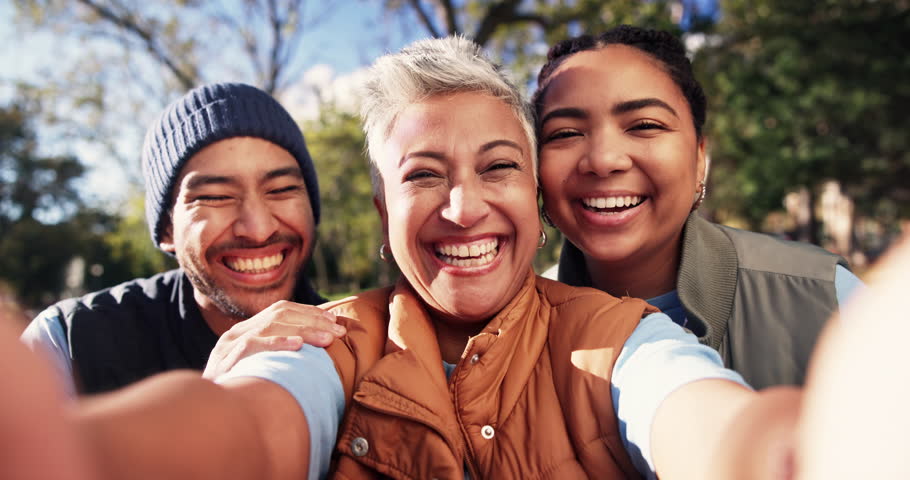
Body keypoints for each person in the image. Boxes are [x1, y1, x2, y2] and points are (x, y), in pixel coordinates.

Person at [8, 36, 810, 480]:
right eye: (423, 176)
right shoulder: (330, 340)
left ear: (535, 191)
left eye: (498, 167)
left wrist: (789, 451)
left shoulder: (620, 335)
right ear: (381, 211)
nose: (464, 208)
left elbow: (706, 417)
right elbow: (252, 426)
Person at [533, 26, 864, 388]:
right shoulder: (514, 331)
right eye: (565, 133)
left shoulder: (826, 299)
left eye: (644, 125)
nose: (604, 159)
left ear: (700, 158)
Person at [20, 82, 344, 396]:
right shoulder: (68, 344)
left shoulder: (361, 347)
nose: (258, 229)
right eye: (216, 196)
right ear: (166, 230)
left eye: (282, 190)